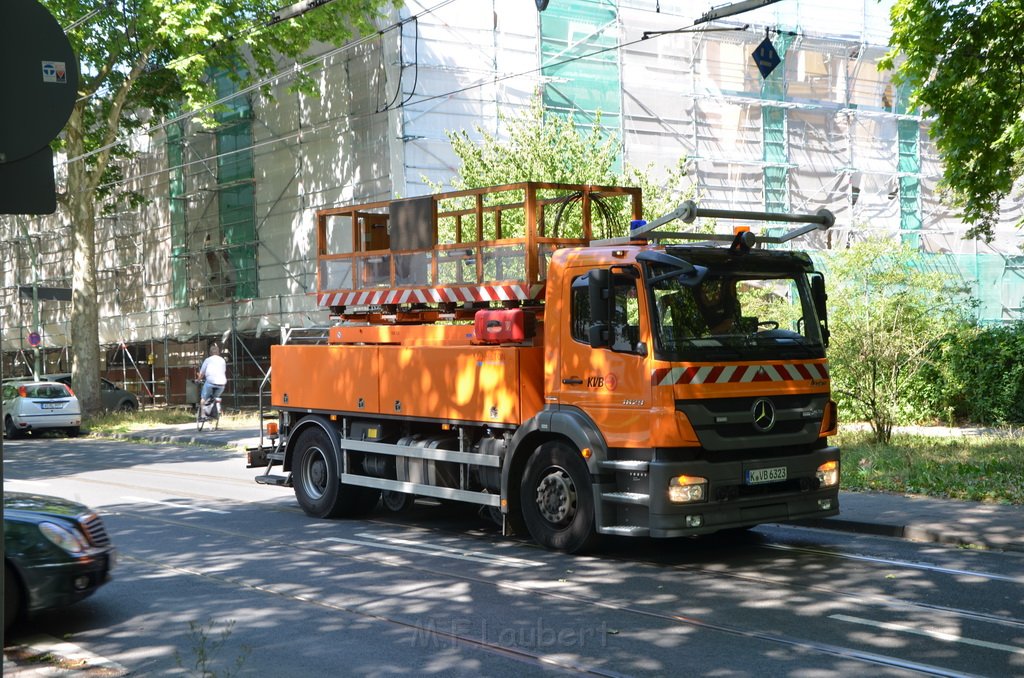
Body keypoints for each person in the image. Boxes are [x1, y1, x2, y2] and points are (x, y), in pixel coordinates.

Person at [197, 344, 227, 412]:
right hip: (222, 384)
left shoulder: (207, 360)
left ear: (210, 353)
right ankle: (217, 407)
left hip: (211, 382)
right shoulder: (222, 360)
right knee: (216, 397)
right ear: (218, 352)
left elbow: (201, 373)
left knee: (204, 398)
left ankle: (203, 415)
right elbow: (224, 371)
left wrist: (198, 379)